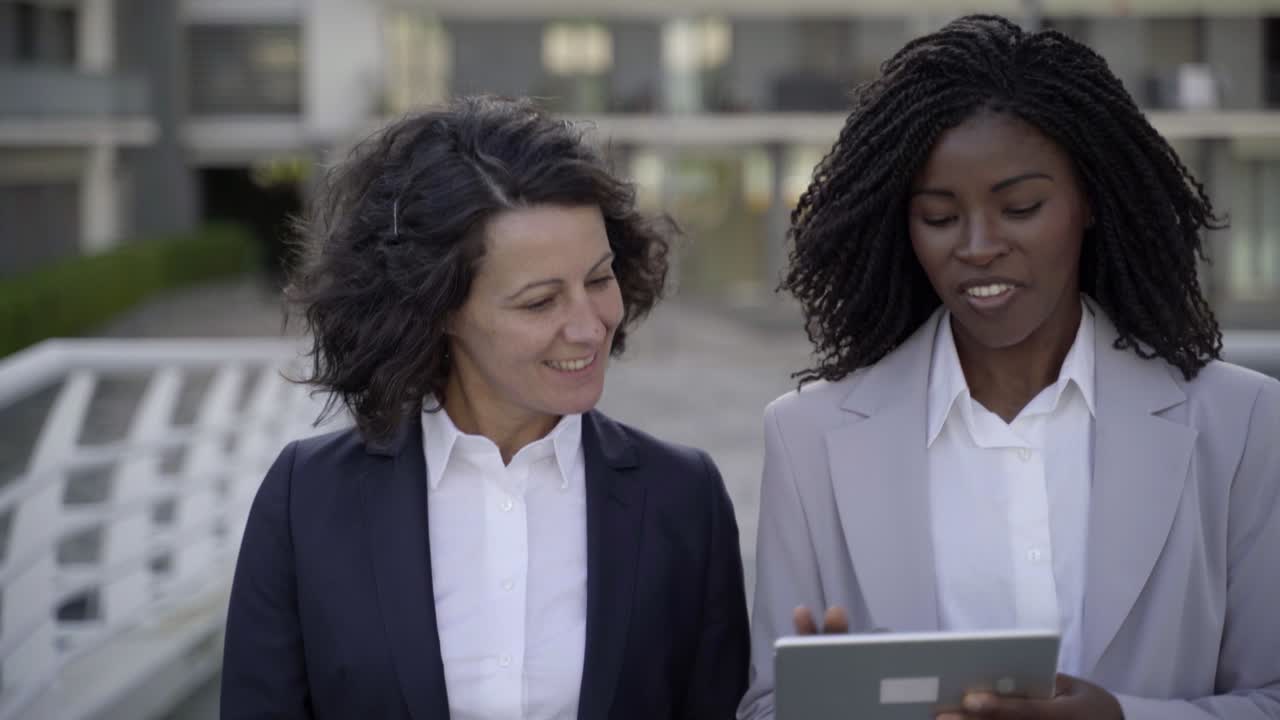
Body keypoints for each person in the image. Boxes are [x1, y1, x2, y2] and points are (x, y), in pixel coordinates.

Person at [739, 15, 1279, 720]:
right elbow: (765, 708)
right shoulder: (806, 438)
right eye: (938, 217)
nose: (979, 246)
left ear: (1089, 199)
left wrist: (1121, 718)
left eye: (1020, 207)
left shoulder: (1240, 423)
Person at [221, 96, 750, 720]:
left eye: (599, 279)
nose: (588, 326)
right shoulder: (305, 499)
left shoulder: (684, 499)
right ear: (439, 308)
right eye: (539, 302)